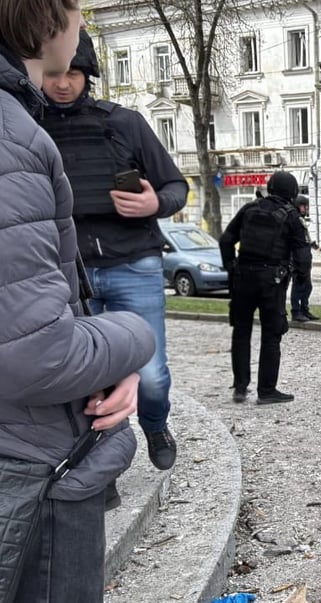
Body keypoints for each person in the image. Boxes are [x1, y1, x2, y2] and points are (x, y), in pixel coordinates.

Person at [0, 3, 156, 600]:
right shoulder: (13, 135)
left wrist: (156, 202)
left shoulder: (113, 121)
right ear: (46, 17)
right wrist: (131, 339)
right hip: (26, 461)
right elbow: (37, 352)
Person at [39, 29, 189, 471]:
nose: (63, 83)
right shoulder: (27, 128)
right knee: (86, 379)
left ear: (88, 74)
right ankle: (102, 465)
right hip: (69, 270)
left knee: (152, 376)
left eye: (73, 73)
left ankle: (156, 424)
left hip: (134, 264)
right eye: (54, 74)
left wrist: (154, 203)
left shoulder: (124, 123)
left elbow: (176, 186)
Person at [220, 171, 312, 405]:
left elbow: (226, 240)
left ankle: (240, 388)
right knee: (271, 335)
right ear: (292, 192)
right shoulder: (291, 216)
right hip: (272, 282)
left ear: (270, 187)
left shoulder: (249, 209)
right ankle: (266, 390)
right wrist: (302, 279)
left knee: (241, 332)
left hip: (243, 278)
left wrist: (231, 267)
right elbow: (303, 253)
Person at [288, 194, 319, 322]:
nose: (306, 209)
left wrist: (310, 243)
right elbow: (293, 240)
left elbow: (302, 238)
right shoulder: (293, 219)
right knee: (298, 285)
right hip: (297, 258)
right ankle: (296, 311)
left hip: (304, 256)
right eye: (303, 206)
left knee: (307, 286)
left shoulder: (300, 219)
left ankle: (304, 309)